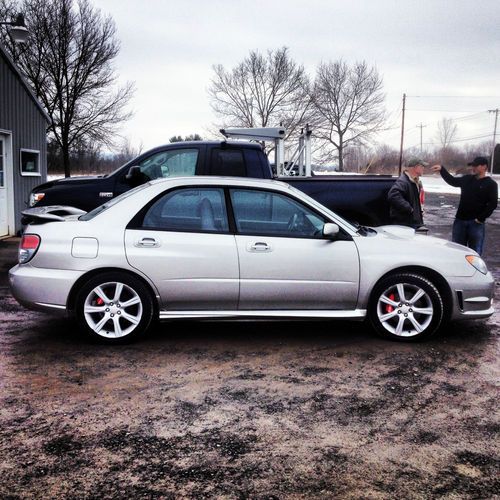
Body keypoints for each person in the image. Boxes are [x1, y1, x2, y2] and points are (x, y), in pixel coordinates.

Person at [431, 157, 498, 255]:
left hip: (476, 224)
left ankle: (473, 270)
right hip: (460, 221)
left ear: (484, 167)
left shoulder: (491, 184)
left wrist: (480, 218)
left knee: (475, 253)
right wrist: (442, 170)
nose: (473, 168)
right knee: (457, 251)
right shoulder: (467, 179)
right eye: (472, 166)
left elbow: (493, 204)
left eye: (476, 166)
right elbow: (452, 181)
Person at [387, 157, 428, 228]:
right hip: (405, 224)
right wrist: (410, 209)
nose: (423, 168)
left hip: (412, 223)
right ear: (415, 167)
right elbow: (393, 195)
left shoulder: (414, 181)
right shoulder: (403, 181)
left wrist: (419, 210)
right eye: (422, 166)